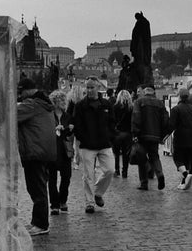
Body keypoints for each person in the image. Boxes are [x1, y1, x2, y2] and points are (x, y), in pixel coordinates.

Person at [15, 76, 57, 235]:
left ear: (27, 91)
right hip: (43, 152)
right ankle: (38, 222)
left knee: (37, 189)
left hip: (35, 152)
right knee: (39, 188)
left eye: (21, 92)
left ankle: (41, 224)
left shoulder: (32, 105)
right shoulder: (43, 104)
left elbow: (11, 114)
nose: (20, 95)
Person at [71, 77, 116, 214]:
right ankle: (89, 203)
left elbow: (112, 123)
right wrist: (82, 138)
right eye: (88, 87)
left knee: (110, 170)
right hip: (87, 144)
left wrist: (110, 136)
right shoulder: (80, 106)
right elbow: (77, 124)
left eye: (92, 87)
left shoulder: (107, 104)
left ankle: (98, 193)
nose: (89, 90)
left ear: (98, 87)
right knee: (88, 175)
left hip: (104, 143)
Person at [131, 81, 170, 190]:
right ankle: (160, 174)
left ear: (145, 91)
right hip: (155, 136)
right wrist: (162, 135)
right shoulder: (160, 103)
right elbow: (166, 120)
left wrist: (135, 133)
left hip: (142, 135)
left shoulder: (139, 102)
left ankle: (144, 183)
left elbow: (136, 118)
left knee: (141, 158)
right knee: (155, 157)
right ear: (154, 91)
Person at [166, 88, 192, 190]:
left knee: (177, 158)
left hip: (180, 137)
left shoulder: (176, 109)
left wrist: (165, 135)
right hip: (191, 137)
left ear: (179, 97)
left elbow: (171, 125)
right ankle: (183, 181)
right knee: (188, 159)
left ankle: (186, 175)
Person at [48, 88, 74, 214]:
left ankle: (63, 200)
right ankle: (54, 204)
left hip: (65, 150)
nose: (64, 102)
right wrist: (54, 129)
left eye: (64, 100)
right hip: (52, 149)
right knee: (52, 179)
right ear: (55, 102)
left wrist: (70, 129)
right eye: (61, 100)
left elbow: (71, 132)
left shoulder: (68, 116)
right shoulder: (48, 116)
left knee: (66, 177)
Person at [110, 89, 135, 177]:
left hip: (117, 133)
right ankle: (125, 172)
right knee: (126, 154)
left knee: (116, 154)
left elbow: (112, 120)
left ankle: (117, 170)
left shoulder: (115, 107)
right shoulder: (131, 107)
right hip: (128, 133)